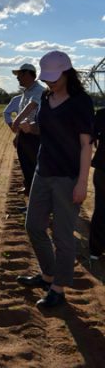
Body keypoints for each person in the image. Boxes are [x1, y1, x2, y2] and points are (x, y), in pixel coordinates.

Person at [16, 51, 94, 308]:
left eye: (55, 77)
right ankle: (48, 275)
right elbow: (45, 130)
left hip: (67, 177)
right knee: (34, 226)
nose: (50, 83)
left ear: (67, 72)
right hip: (43, 172)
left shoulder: (80, 102)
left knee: (62, 235)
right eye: (47, 78)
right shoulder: (47, 97)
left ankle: (58, 289)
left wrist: (82, 182)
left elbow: (86, 145)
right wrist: (31, 127)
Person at [10, 63, 45, 196]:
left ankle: (36, 192)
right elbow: (24, 110)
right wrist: (18, 135)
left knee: (33, 163)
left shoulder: (38, 90)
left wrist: (17, 119)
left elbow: (32, 105)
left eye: (20, 75)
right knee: (25, 162)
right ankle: (29, 187)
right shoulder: (26, 92)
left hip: (34, 133)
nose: (17, 78)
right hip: (25, 133)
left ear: (28, 74)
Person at [89, 107, 105, 261]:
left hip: (102, 167)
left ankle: (95, 249)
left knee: (101, 208)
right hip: (102, 169)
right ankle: (95, 249)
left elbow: (90, 138)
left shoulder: (101, 114)